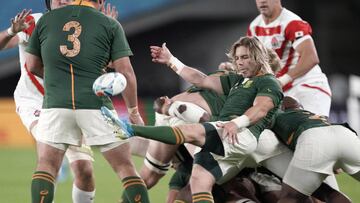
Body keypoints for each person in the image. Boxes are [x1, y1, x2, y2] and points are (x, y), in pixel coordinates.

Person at [102, 36, 283, 202]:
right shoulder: (238, 81)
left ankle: (128, 129)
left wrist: (173, 108)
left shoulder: (267, 83)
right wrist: (171, 60)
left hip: (223, 134)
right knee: (196, 181)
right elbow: (201, 79)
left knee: (177, 160)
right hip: (204, 132)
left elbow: (259, 109)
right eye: (237, 58)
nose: (237, 63)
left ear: (259, 58)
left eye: (244, 58)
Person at [25, 0, 149, 202]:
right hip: (96, 105)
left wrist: (57, 80)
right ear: (99, 1)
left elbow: (31, 65)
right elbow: (125, 72)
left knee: (46, 166)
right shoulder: (110, 24)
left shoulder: (46, 19)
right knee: (125, 168)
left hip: (55, 104)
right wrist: (133, 112)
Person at [0, 0, 121, 201]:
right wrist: (12, 31)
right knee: (49, 159)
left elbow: (109, 64)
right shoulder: (34, 22)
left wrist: (107, 34)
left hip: (69, 103)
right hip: (34, 102)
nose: (64, 0)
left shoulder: (85, 26)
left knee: (85, 171)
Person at [247, 0, 332, 117]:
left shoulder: (291, 22)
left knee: (311, 130)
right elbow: (253, 62)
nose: (262, 1)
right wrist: (233, 67)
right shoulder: (254, 27)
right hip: (280, 91)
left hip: (307, 86)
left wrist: (281, 81)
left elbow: (311, 58)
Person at [270, 96, 360, 203]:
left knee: (290, 197)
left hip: (314, 140)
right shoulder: (311, 115)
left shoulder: (276, 114)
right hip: (345, 134)